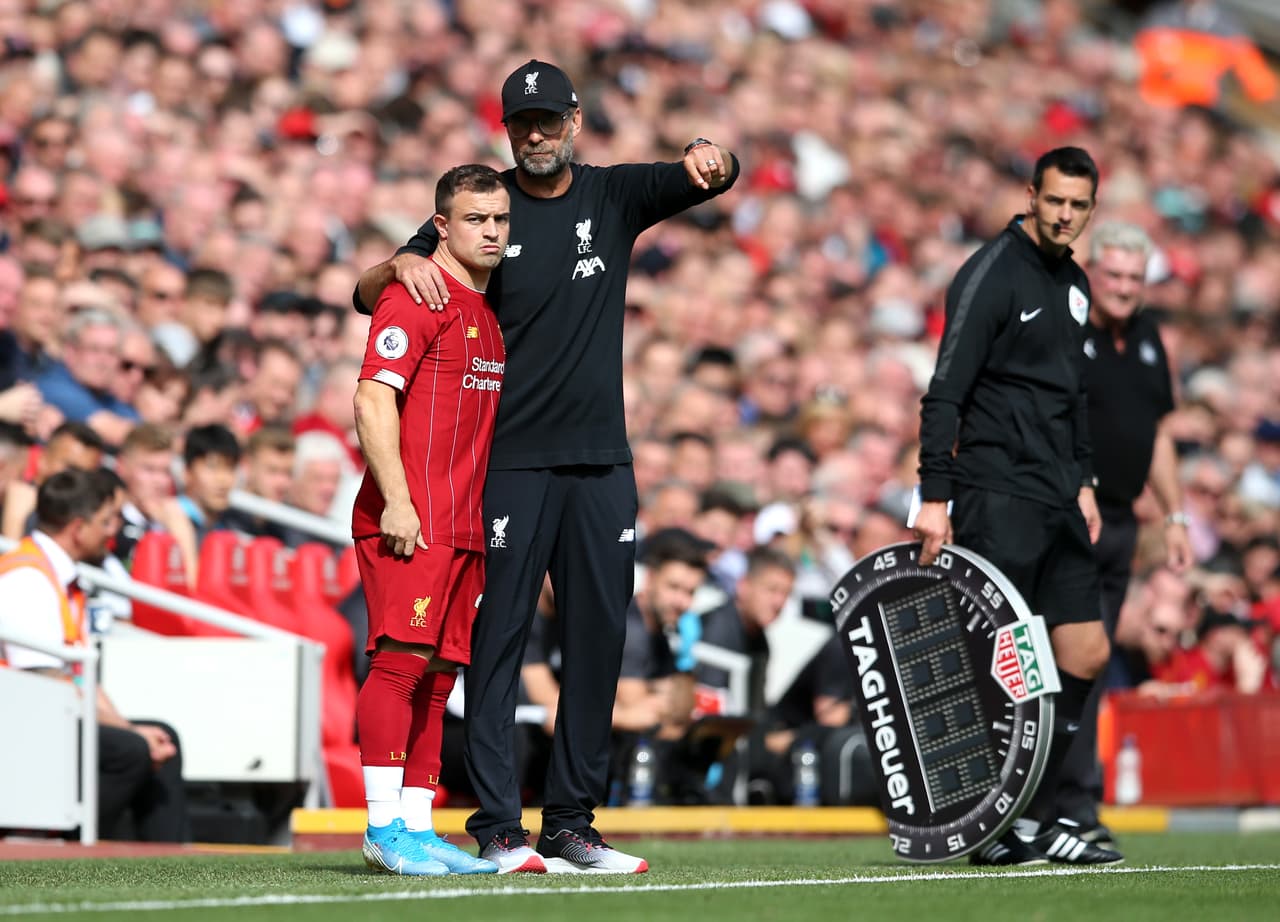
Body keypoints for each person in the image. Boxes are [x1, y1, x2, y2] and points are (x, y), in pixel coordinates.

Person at [353, 59, 737, 873]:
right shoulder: (481, 207)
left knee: (598, 641)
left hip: (603, 463)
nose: (536, 135)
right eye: (521, 123)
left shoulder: (613, 193)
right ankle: (496, 825)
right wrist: (397, 263)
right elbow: (370, 294)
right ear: (506, 129)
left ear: (575, 121)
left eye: (548, 120)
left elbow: (705, 176)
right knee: (498, 642)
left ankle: (572, 824)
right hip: (511, 463)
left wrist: (716, 159)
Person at [915, 147, 1122, 866]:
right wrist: (934, 495)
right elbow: (944, 391)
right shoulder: (990, 274)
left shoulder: (1076, 283)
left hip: (1058, 494)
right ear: (1031, 195)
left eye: (1079, 205)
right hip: (995, 489)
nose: (1065, 215)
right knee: (1006, 664)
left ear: (1092, 209)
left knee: (1086, 650)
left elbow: (1072, 396)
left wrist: (1086, 479)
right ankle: (990, 824)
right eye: (1055, 200)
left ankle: (1037, 813)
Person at [350, 163, 509, 878]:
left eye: (500, 220)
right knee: (399, 666)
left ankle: (417, 825)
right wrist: (397, 500)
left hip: (463, 524)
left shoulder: (485, 308)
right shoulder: (417, 294)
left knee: (439, 679)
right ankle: (384, 826)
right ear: (440, 225)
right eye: (477, 219)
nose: (493, 231)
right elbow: (371, 399)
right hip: (411, 520)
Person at [1053, 221, 1194, 847]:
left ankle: (1077, 805)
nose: (1124, 288)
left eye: (1135, 278)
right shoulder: (1064, 324)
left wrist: (1175, 513)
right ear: (1091, 271)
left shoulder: (1145, 338)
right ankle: (1055, 804)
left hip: (1121, 522)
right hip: (1066, 514)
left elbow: (1157, 433)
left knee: (1096, 661)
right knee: (1068, 662)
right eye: (1113, 274)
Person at [0, 468, 189, 841]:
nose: (112, 532)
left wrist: (130, 726)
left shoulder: (60, 577)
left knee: (162, 739)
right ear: (77, 527)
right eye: (105, 522)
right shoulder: (26, 579)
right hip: (21, 723)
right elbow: (43, 679)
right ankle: (62, 842)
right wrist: (130, 731)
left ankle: (173, 863)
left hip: (50, 716)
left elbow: (80, 673)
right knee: (130, 749)